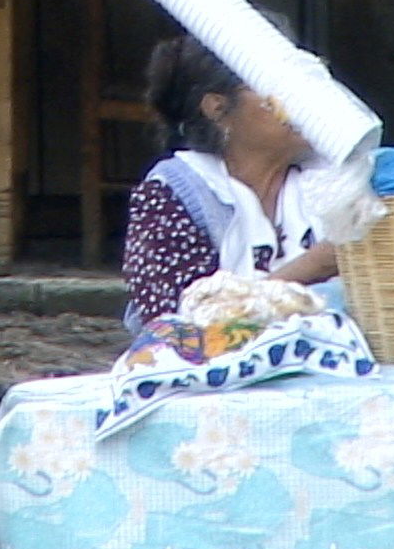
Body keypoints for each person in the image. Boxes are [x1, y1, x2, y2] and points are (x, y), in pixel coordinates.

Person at [121, 32, 338, 328]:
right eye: (276, 88)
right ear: (218, 109)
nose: (299, 101)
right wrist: (312, 267)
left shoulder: (337, 177)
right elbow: (174, 326)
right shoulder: (175, 193)